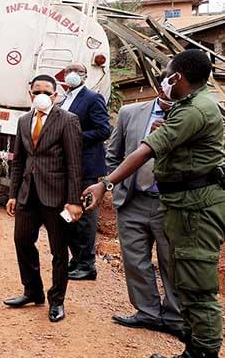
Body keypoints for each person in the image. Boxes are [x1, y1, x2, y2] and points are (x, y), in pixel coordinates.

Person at [83, 50, 225, 358]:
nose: (164, 78)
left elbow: (145, 151)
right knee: (182, 275)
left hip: (193, 208)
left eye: (168, 73)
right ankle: (190, 348)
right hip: (178, 203)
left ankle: (201, 351)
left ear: (177, 78)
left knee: (196, 284)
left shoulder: (194, 109)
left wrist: (105, 183)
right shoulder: (192, 106)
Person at [4, 74, 83, 323]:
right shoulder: (24, 120)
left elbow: (74, 163)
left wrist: (73, 201)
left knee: (59, 252)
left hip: (57, 197)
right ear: (30, 94)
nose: (41, 96)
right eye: (36, 91)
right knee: (22, 241)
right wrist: (13, 194)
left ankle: (57, 300)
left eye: (46, 92)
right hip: (28, 195)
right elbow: (19, 161)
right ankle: (32, 291)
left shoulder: (68, 120)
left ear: (55, 95)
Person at [107, 85, 182, 336]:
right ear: (160, 88)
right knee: (135, 259)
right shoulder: (129, 112)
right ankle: (148, 312)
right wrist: (116, 185)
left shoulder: (188, 117)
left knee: (171, 261)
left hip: (168, 203)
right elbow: (113, 153)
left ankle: (175, 317)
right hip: (133, 199)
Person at [58, 63, 111, 281]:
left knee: (85, 217)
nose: (72, 75)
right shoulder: (64, 100)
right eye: (69, 71)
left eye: (77, 72)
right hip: (66, 166)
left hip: (86, 167)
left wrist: (75, 137)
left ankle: (87, 265)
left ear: (85, 76)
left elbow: (103, 130)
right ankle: (76, 260)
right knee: (66, 215)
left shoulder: (92, 98)